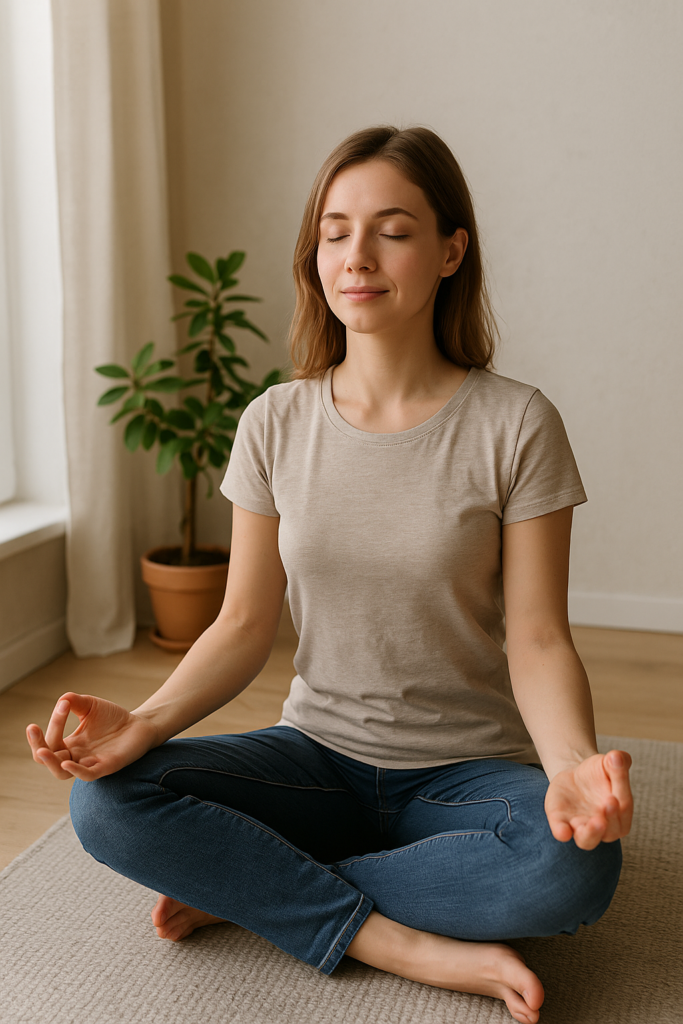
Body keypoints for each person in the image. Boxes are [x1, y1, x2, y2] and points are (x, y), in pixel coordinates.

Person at [26, 125, 633, 1024]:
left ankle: (260, 894)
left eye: (391, 229)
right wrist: (146, 722)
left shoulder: (516, 424)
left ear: (449, 251)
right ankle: (391, 937)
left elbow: (539, 635)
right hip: (313, 759)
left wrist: (570, 766)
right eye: (334, 230)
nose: (357, 255)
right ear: (315, 253)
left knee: (571, 867)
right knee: (108, 805)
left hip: (461, 776)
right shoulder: (273, 422)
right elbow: (240, 626)